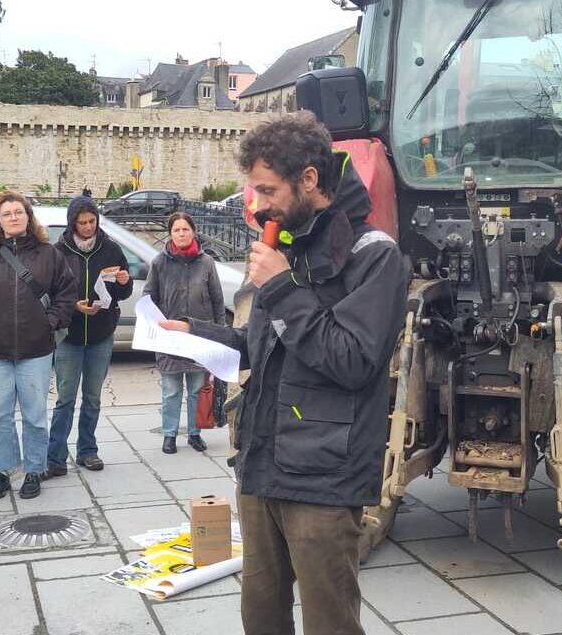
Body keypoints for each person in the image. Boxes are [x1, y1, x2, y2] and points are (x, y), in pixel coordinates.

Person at [160, 113, 407, 635]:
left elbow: (352, 360)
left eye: (267, 190)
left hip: (322, 481)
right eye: (253, 190)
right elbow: (261, 347)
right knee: (261, 617)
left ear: (310, 180)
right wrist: (194, 332)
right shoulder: (286, 247)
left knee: (329, 624)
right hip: (261, 468)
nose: (257, 205)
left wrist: (279, 288)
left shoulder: (374, 256)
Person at [0, 191, 75, 500]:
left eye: (18, 212)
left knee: (35, 415)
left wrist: (50, 322)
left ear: (28, 217)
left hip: (35, 349)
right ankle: (2, 470)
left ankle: (34, 470)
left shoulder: (49, 255)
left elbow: (66, 292)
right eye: (7, 213)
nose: (13, 217)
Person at [46, 196, 131, 475]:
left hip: (101, 334)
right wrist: (73, 306)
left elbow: (123, 292)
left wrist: (124, 282)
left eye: (92, 221)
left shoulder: (111, 250)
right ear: (72, 224)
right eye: (82, 223)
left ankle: (87, 450)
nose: (87, 227)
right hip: (69, 336)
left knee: (92, 398)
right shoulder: (58, 251)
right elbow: (50, 292)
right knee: (65, 399)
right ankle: (56, 456)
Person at [144, 212, 225, 454]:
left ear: (193, 232)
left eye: (185, 229)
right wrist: (156, 324)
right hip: (170, 338)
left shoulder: (206, 262)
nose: (181, 234)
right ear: (170, 234)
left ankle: (194, 433)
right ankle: (169, 434)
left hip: (199, 335)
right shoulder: (159, 262)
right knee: (171, 390)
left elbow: (218, 301)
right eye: (177, 230)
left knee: (196, 391)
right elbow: (148, 297)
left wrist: (219, 334)